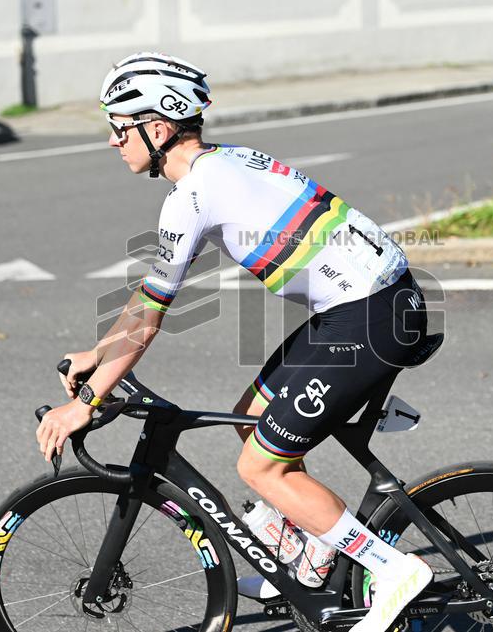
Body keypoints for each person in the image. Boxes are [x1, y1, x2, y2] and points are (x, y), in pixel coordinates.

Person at [36, 52, 431, 632]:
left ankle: (394, 570)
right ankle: (311, 554)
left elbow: (150, 316)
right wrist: (98, 354)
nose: (113, 140)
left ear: (158, 130)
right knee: (250, 418)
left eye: (120, 128)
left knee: (262, 467)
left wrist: (86, 402)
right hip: (361, 308)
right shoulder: (225, 161)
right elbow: (148, 297)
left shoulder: (194, 196)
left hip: (367, 317)